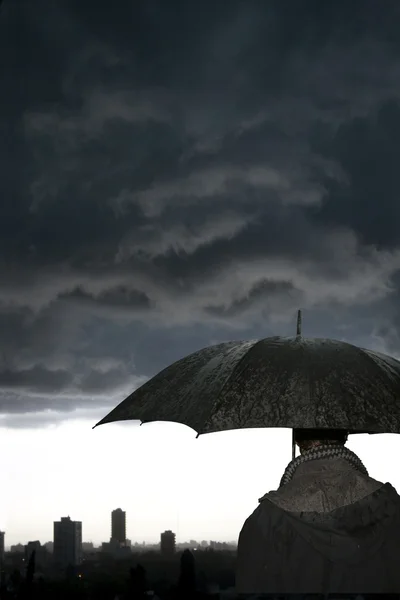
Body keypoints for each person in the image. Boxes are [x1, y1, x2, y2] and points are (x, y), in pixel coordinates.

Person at [235, 428, 400, 595]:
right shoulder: (392, 505)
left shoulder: (268, 517)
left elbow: (250, 588)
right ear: (344, 435)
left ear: (298, 441)